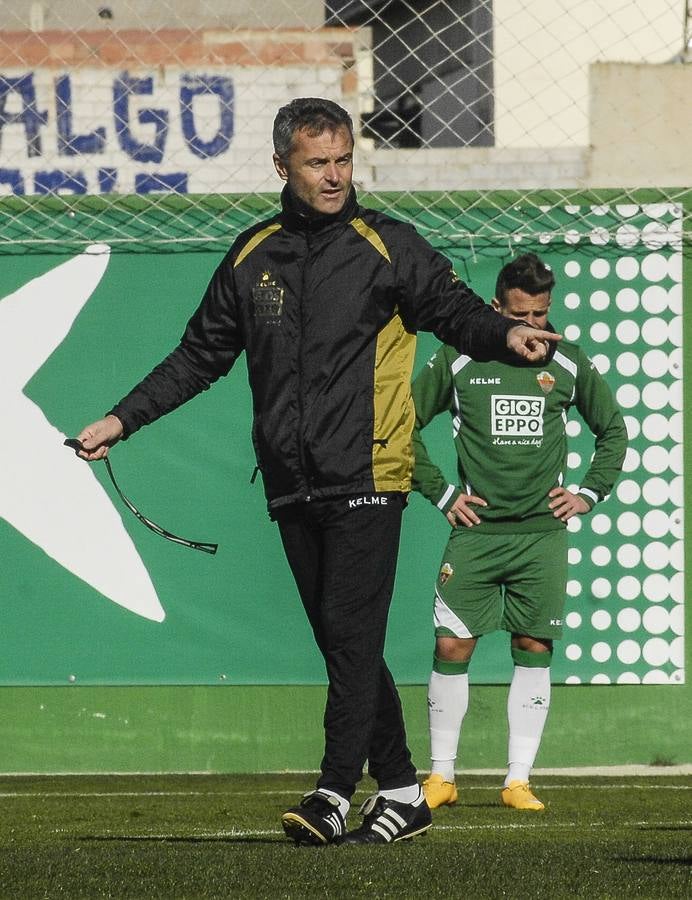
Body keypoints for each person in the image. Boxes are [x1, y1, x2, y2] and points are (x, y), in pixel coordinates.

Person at [73, 99, 560, 846]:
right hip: (291, 481)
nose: (334, 176)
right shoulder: (251, 255)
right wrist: (122, 419)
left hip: (371, 473)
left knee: (353, 638)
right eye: (317, 163)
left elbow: (454, 309)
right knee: (344, 643)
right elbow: (201, 354)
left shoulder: (387, 244)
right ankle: (401, 791)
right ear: (282, 167)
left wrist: (507, 334)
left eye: (342, 160)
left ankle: (335, 790)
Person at [412, 252, 626, 812]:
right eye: (523, 315)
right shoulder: (458, 358)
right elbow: (395, 426)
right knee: (451, 644)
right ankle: (441, 777)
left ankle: (518, 780)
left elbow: (614, 432)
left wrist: (586, 494)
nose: (536, 327)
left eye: (543, 314)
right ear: (495, 309)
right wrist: (440, 493)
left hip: (540, 538)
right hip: (477, 535)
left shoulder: (568, 362)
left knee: (533, 646)